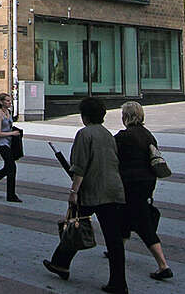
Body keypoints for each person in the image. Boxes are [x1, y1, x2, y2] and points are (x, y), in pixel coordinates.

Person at [43, 97, 127, 294]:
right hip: (113, 189)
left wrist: (74, 191)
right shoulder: (108, 134)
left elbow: (80, 166)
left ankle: (61, 263)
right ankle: (119, 282)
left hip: (91, 190)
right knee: (114, 239)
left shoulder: (84, 134)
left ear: (84, 116)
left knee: (74, 225)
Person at [115, 101, 173, 281]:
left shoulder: (123, 137)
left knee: (143, 224)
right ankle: (116, 251)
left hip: (130, 183)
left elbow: (113, 158)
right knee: (125, 216)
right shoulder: (148, 135)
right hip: (147, 182)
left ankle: (163, 265)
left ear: (126, 117)